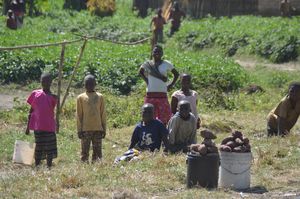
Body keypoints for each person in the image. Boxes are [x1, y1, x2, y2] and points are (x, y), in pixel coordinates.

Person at [139, 45, 179, 126]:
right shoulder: (147, 64)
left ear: (162, 53)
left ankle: (162, 133)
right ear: (152, 53)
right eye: (155, 51)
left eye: (159, 52)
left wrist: (170, 84)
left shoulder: (166, 64)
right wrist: (147, 81)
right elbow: (140, 72)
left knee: (165, 117)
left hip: (162, 95)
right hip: (150, 94)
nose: (157, 53)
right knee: (149, 117)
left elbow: (176, 74)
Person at [25, 72, 58, 168]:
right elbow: (31, 111)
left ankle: (49, 166)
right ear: (40, 82)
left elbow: (57, 109)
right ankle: (37, 165)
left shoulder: (53, 97)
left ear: (51, 82)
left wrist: (57, 99)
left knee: (50, 147)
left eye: (47, 81)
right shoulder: (35, 94)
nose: (45, 83)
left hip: (49, 127)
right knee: (38, 147)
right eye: (43, 81)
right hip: (38, 127)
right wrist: (27, 127)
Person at [77, 75, 106, 163]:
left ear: (95, 84)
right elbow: (79, 115)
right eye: (87, 84)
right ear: (84, 85)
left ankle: (96, 166)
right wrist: (79, 130)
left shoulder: (100, 97)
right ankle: (84, 167)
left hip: (98, 129)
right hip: (85, 130)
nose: (89, 86)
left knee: (97, 152)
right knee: (84, 152)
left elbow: (103, 113)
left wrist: (104, 129)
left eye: (91, 84)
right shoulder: (81, 97)